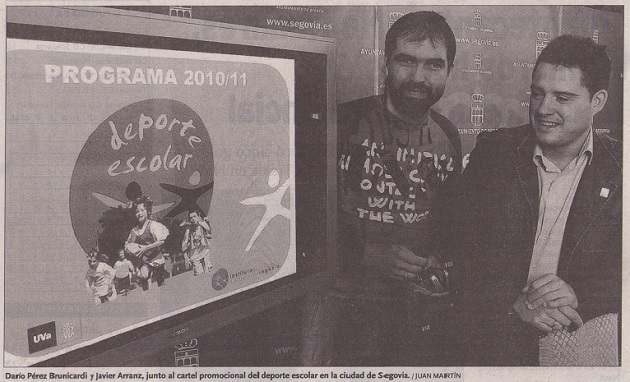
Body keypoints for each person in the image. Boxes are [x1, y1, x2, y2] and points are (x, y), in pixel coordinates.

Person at [438, 35, 621, 365]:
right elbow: (455, 248)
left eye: (562, 98)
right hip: (490, 342)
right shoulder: (495, 153)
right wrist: (512, 302)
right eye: (538, 93)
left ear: (597, 101)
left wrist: (582, 296)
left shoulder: (620, 170)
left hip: (576, 351)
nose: (543, 108)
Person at [301, 11, 461, 366]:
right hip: (335, 299)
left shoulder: (448, 136)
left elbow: (446, 222)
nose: (419, 77)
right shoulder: (340, 122)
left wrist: (437, 263)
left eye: (434, 65)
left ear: (449, 71)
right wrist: (366, 253)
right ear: (386, 63)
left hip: (409, 307)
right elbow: (301, 215)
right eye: (406, 60)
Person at [125, 196, 170, 291]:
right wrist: (130, 249)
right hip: (145, 261)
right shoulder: (134, 231)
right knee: (143, 276)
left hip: (156, 258)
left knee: (161, 283)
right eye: (137, 211)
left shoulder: (153, 225)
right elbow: (128, 244)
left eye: (142, 210)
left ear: (148, 211)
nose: (139, 213)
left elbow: (161, 241)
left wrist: (146, 248)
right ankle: (146, 295)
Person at [182, 209, 213, 275]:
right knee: (199, 273)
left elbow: (209, 230)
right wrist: (185, 257)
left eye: (194, 216)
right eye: (191, 218)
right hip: (195, 254)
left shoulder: (201, 224)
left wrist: (202, 222)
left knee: (209, 270)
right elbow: (184, 243)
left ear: (198, 217)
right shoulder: (189, 229)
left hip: (204, 250)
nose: (193, 219)